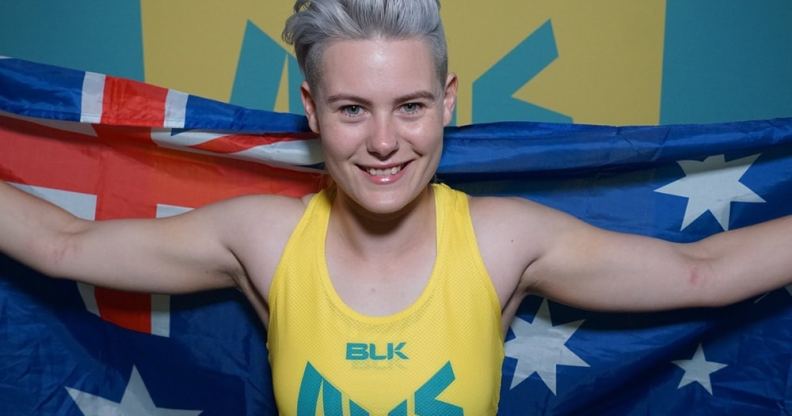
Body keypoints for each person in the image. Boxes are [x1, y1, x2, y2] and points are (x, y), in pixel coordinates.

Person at [1, 0, 791, 414]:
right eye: (352, 110)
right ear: (311, 109)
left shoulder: (501, 239)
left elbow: (700, 271)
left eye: (410, 106)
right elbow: (67, 246)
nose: (384, 142)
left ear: (448, 101)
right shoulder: (263, 238)